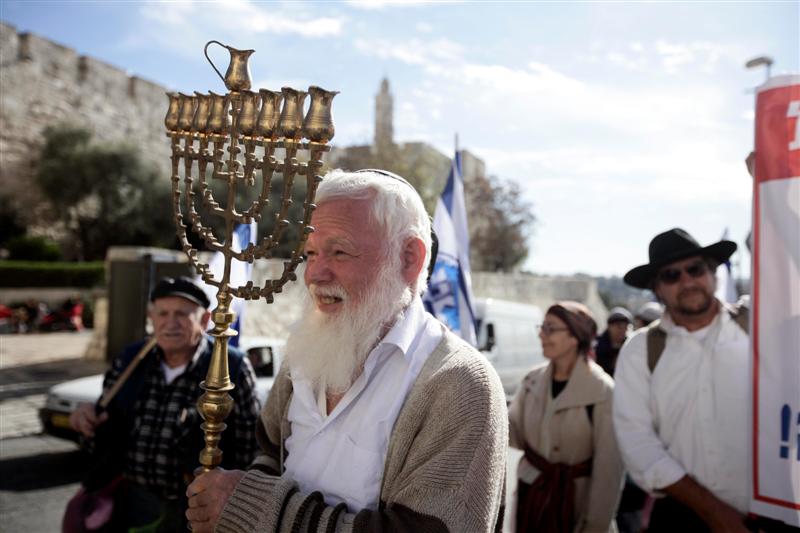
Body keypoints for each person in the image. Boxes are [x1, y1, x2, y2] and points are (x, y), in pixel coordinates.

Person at [185, 169, 508, 533]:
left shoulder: (459, 384)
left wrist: (251, 507)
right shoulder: (305, 353)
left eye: (339, 252)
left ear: (409, 258)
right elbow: (269, 454)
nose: (314, 274)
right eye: (310, 253)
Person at [69, 276, 260, 532]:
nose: (171, 323)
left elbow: (250, 447)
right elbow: (106, 425)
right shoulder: (131, 360)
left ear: (204, 321)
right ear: (152, 318)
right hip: (130, 503)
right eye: (163, 313)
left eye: (182, 314)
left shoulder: (230, 365)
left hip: (196, 512)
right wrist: (87, 418)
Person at [613, 228, 750, 532]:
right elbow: (638, 445)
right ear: (657, 288)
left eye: (695, 269)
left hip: (771, 515)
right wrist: (715, 512)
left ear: (713, 273)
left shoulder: (757, 324)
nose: (687, 281)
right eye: (671, 275)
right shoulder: (640, 351)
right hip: (680, 519)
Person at [508, 301, 624, 533]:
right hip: (531, 500)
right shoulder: (532, 381)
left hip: (577, 506)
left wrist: (594, 527)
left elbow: (609, 472)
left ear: (575, 336)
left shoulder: (603, 391)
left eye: (551, 328)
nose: (542, 334)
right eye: (542, 327)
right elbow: (514, 435)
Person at [594, 306, 633, 376]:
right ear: (609, 326)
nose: (622, 330)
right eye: (619, 327)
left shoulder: (630, 344)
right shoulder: (596, 345)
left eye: (625, 327)